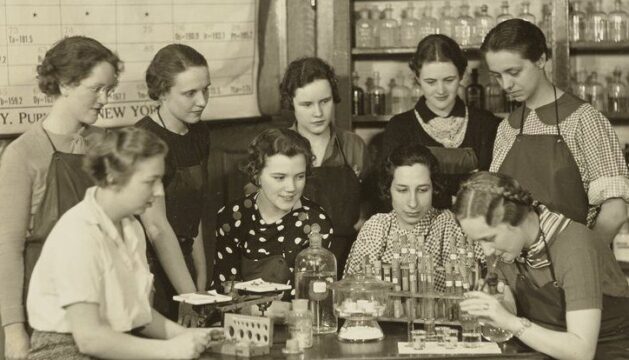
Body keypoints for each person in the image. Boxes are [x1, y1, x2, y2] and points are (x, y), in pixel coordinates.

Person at [26, 127, 223, 359]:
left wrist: (188, 336)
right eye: (150, 181)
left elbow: (139, 314)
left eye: (160, 180)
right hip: (63, 351)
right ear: (112, 178)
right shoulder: (78, 233)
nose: (159, 191)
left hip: (111, 343)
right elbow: (89, 339)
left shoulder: (131, 227)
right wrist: (169, 349)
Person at [0, 36, 122, 359]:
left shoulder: (105, 144)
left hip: (102, 307)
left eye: (109, 90)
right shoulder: (21, 154)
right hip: (46, 316)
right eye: (96, 89)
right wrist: (13, 332)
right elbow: (8, 249)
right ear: (65, 85)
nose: (104, 100)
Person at [482, 19, 629, 244]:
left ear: (541, 59)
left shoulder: (584, 119)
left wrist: (580, 259)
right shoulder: (506, 128)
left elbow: (615, 211)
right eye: (497, 75)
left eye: (514, 72)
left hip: (573, 267)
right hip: (517, 268)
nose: (505, 85)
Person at [456, 171, 629, 360]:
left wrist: (510, 322)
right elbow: (509, 309)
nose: (486, 251)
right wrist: (495, 306)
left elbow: (581, 351)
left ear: (517, 220)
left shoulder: (575, 247)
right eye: (478, 242)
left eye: (489, 239)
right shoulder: (504, 248)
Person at [135, 44, 210, 322]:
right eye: (190, 93)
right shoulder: (144, 139)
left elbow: (195, 209)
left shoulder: (200, 133)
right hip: (151, 270)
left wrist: (200, 276)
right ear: (162, 92)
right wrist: (189, 295)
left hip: (185, 265)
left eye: (206, 89)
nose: (201, 101)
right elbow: (156, 228)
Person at [344, 143, 484, 292]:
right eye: (402, 190)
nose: (413, 203)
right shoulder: (376, 227)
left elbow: (469, 293)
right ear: (388, 189)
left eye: (422, 190)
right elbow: (354, 294)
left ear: (434, 188)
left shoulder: (451, 225)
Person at [382, 34, 501, 208]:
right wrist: (466, 181)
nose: (440, 90)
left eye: (449, 80)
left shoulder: (486, 124)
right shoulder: (399, 127)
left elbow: (492, 190)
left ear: (462, 76)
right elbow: (389, 192)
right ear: (417, 79)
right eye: (430, 82)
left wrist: (431, 183)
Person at [212, 128, 334, 297]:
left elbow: (310, 299)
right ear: (257, 174)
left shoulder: (315, 224)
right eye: (279, 177)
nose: (291, 188)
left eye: (299, 176)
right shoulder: (232, 216)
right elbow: (224, 288)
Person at [279, 57, 369, 276]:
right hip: (289, 263)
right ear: (291, 102)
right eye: (307, 104)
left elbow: (368, 213)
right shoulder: (276, 148)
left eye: (325, 101)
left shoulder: (353, 146)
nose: (318, 113)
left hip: (347, 262)